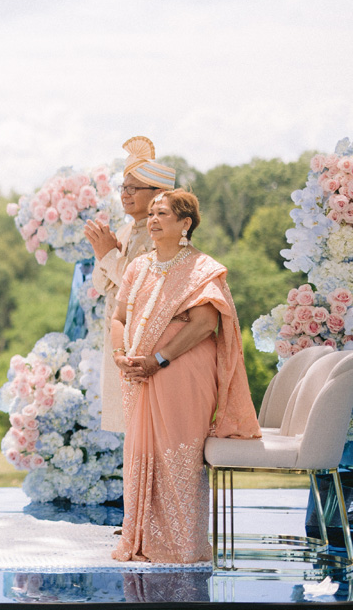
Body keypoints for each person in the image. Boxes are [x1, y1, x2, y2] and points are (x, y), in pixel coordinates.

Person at [110, 189, 260, 564]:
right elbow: (118, 318)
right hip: (137, 376)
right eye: (153, 214)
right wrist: (120, 355)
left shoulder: (201, 269)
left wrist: (159, 359)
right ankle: (140, 540)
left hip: (183, 372)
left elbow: (206, 323)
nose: (154, 220)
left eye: (163, 214)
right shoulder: (137, 267)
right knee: (140, 453)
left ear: (186, 223)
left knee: (178, 451)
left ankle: (181, 545)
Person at [83, 136, 170, 433]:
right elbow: (100, 283)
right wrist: (104, 255)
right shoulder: (125, 228)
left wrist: (108, 255)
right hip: (118, 340)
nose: (125, 194)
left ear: (158, 193)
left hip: (146, 346)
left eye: (134, 188)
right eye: (124, 187)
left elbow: (142, 286)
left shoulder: (165, 232)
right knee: (128, 429)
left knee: (147, 428)